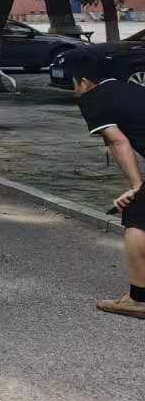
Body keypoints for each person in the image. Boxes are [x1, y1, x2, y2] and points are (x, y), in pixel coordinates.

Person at [61, 46, 145, 319]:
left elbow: (118, 142)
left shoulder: (94, 99)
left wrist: (136, 186)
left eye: (73, 83)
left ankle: (138, 300)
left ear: (85, 81)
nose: (74, 89)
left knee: (137, 218)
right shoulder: (132, 89)